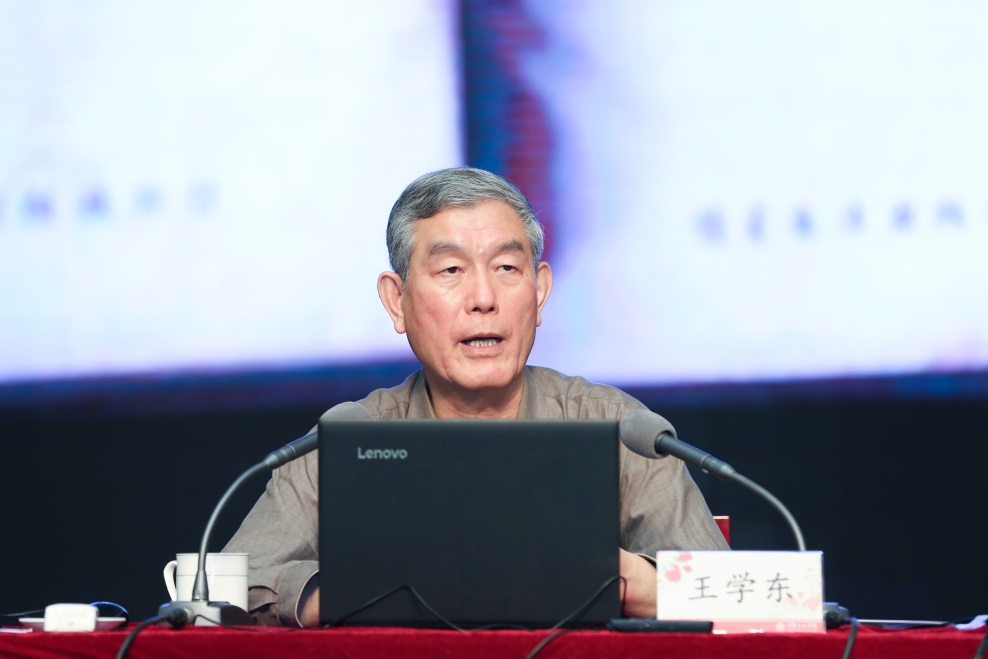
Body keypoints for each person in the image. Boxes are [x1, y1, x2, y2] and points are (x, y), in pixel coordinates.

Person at [223, 167, 729, 626]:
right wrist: (359, 591)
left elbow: (729, 591)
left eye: (507, 268)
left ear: (540, 292)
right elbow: (226, 586)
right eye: (451, 271)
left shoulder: (620, 427)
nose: (484, 299)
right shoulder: (350, 436)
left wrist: (622, 584)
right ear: (397, 302)